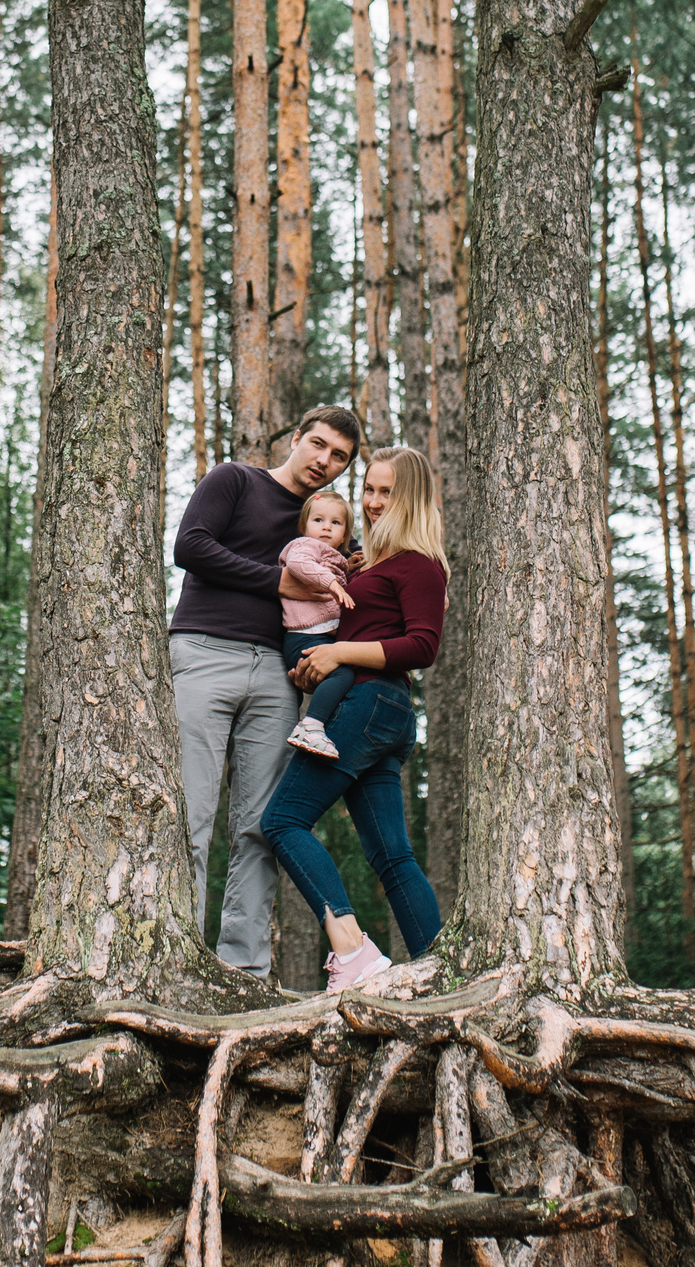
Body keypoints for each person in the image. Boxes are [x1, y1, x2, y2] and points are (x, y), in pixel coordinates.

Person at [169, 405, 363, 977]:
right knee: (191, 815)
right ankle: (177, 961)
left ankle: (243, 972)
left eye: (339, 457)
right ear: (297, 438)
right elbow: (191, 546)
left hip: (278, 678)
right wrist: (280, 578)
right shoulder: (234, 479)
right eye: (319, 445)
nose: (324, 461)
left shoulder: (322, 523)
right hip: (205, 653)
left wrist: (320, 658)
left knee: (260, 826)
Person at [258, 446, 447, 990]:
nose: (371, 502)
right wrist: (317, 663)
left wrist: (338, 655)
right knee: (391, 855)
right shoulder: (376, 561)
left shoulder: (419, 563)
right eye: (368, 489)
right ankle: (440, 978)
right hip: (374, 711)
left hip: (370, 705)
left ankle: (354, 951)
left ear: (410, 498)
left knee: (283, 821)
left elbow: (422, 645)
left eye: (386, 492)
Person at [280, 492, 357, 759]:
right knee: (342, 675)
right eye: (319, 519)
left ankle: (320, 726)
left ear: (345, 534)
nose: (326, 526)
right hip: (304, 636)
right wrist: (332, 583)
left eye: (336, 523)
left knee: (345, 675)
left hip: (320, 637)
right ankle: (311, 725)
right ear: (304, 526)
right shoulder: (303, 545)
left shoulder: (334, 557)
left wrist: (349, 567)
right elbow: (300, 565)